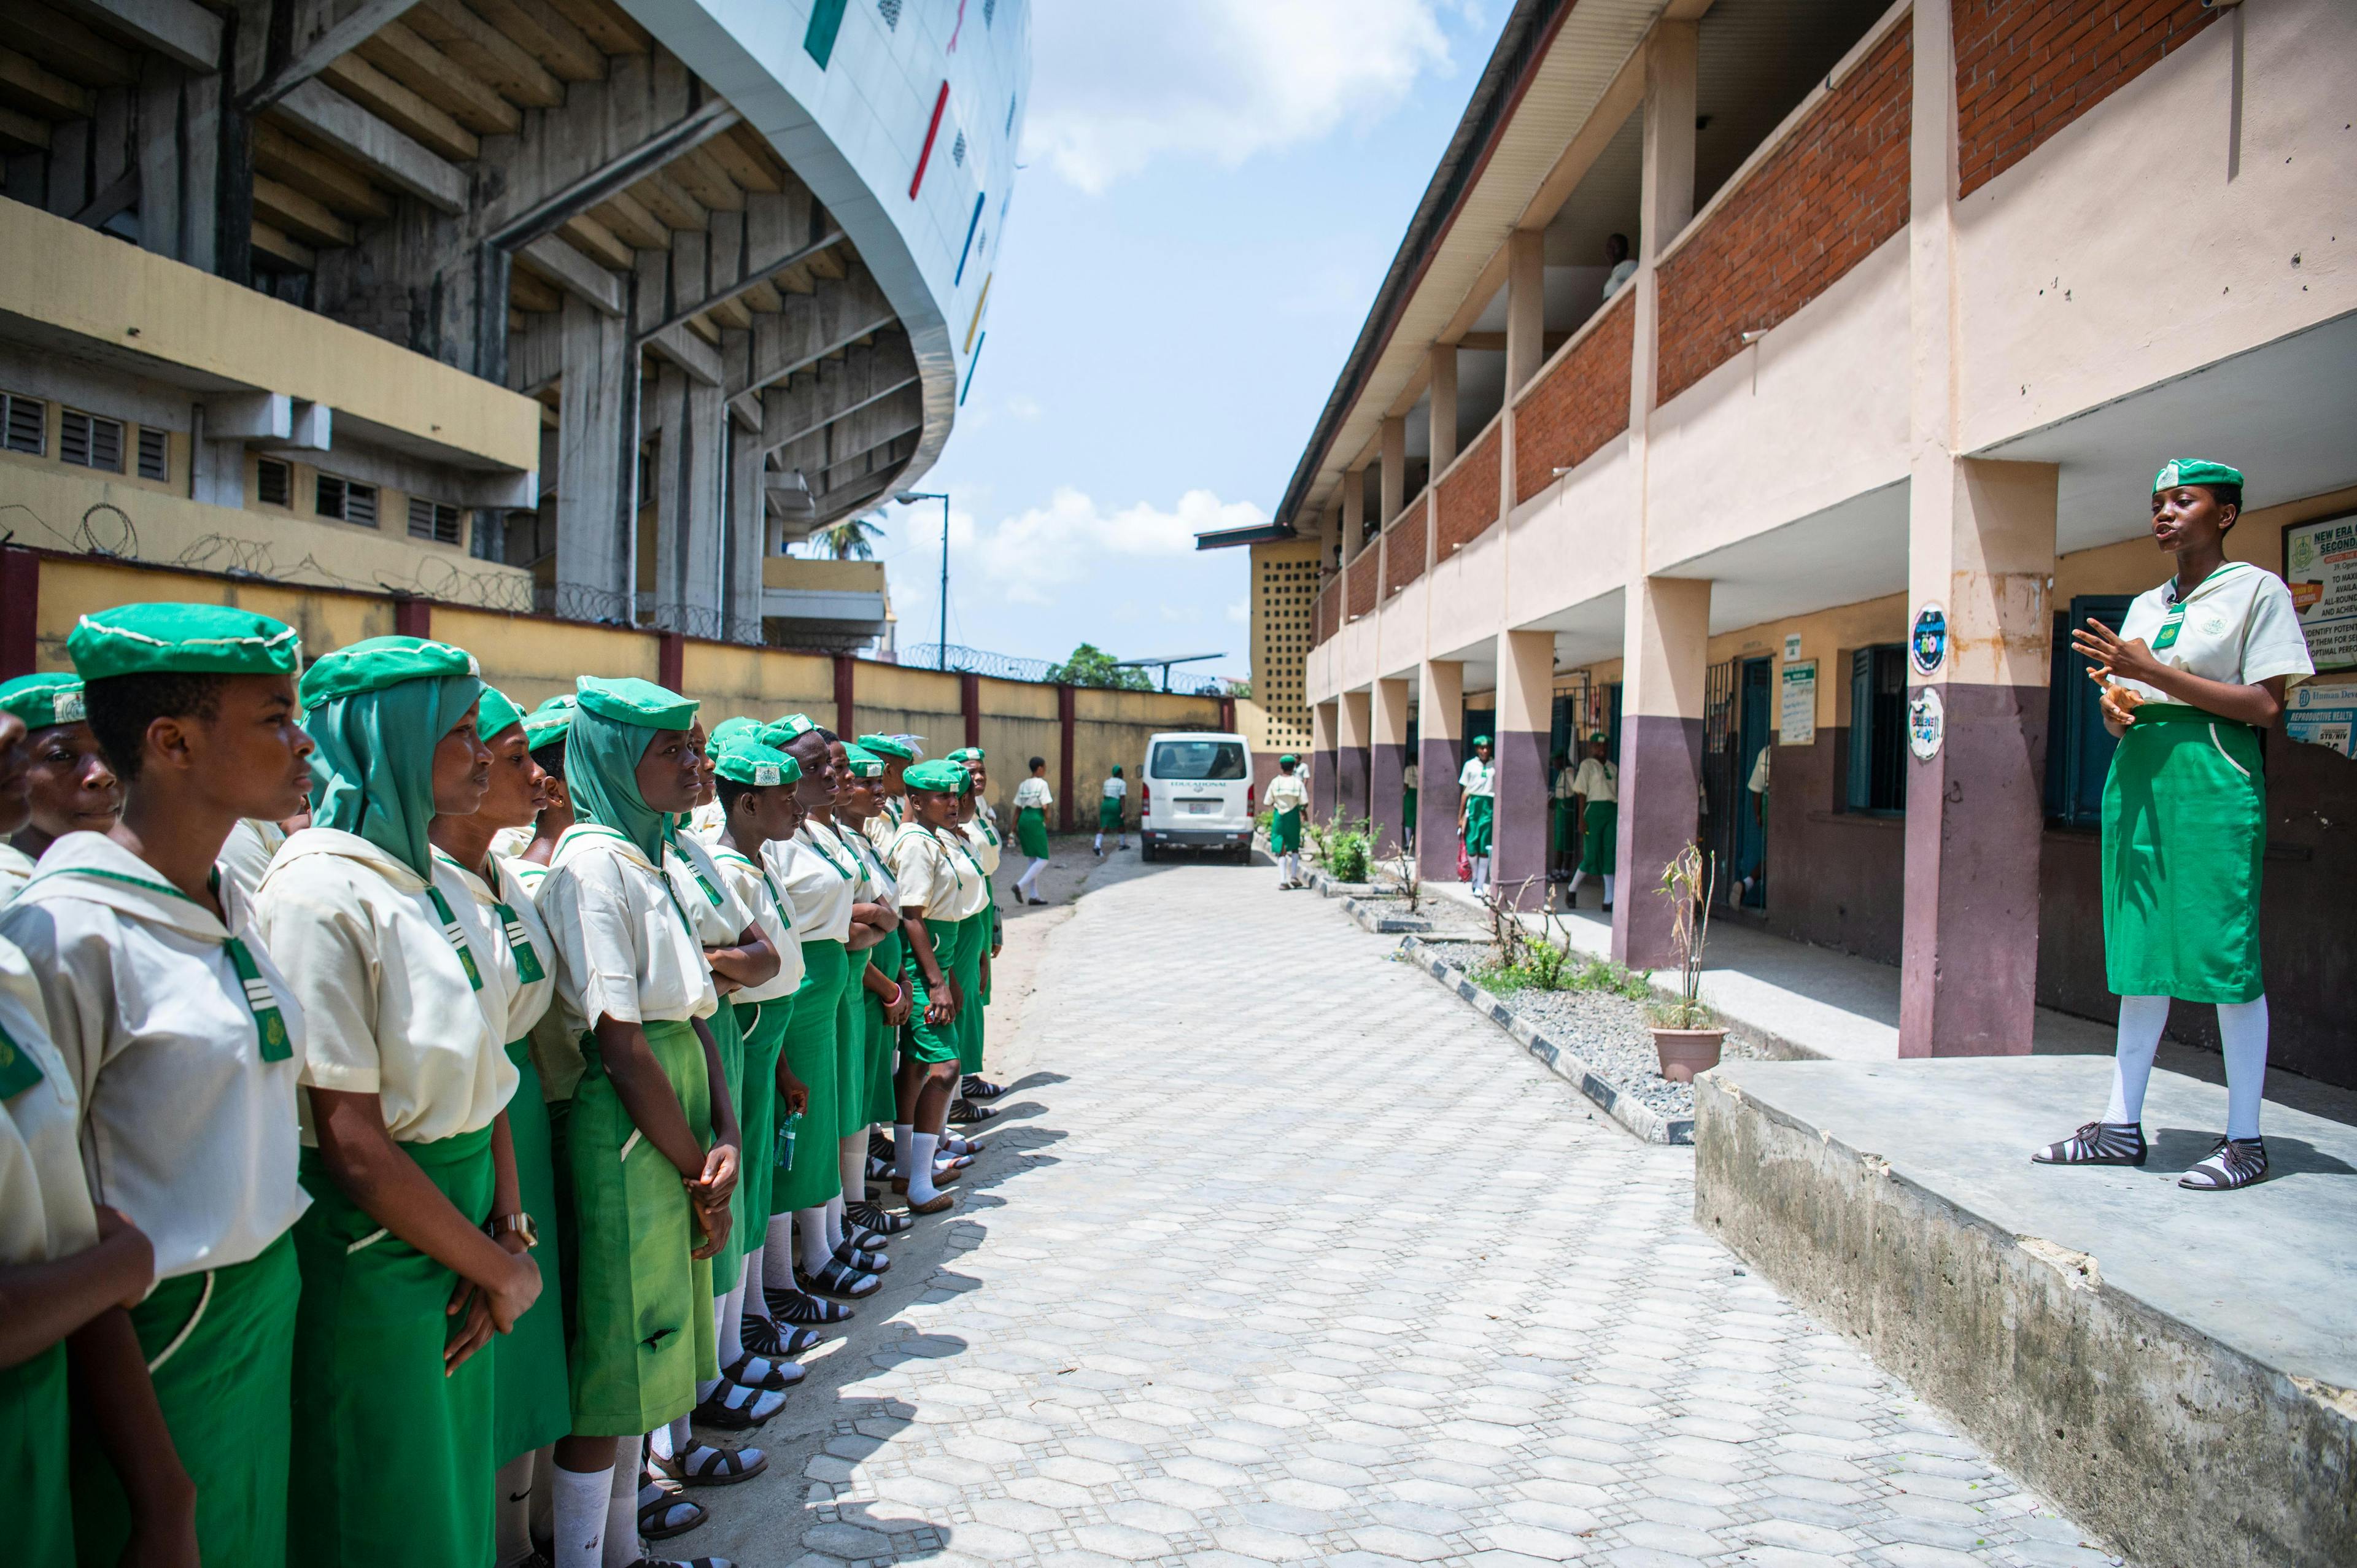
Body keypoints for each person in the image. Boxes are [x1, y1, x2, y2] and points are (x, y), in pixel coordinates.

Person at [4, 602, 314, 1567]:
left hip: (263, 1304)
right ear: (172, 741)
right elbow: (66, 1216)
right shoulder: (67, 933)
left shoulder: (233, 894)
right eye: (273, 717)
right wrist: (159, 1489)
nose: (303, 739)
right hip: (156, 1345)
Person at [251, 635, 536, 1568]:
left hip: (461, 1227)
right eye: (460, 732)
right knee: (383, 1504)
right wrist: (493, 1270)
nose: (485, 753)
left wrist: (506, 1224)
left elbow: (488, 1062)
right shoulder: (317, 891)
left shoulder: (429, 884)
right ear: (385, 743)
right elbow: (354, 1144)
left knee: (447, 1503)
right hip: (382, 1247)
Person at [2035, 458, 2313, 1192]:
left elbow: (2265, 706)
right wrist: (2115, 706)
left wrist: (2152, 675)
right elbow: (2121, 696)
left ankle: (2245, 1138)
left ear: (2224, 513)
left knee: (2225, 955)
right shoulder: (2147, 605)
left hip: (2214, 782)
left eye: (2183, 500)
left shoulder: (2257, 590)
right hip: (2142, 781)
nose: (2164, 512)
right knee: (2142, 951)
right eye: (2158, 501)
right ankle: (2121, 1126)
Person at [532, 676, 743, 1568]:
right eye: (673, 750)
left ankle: (625, 1549)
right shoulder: (588, 865)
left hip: (677, 1110)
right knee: (613, 1370)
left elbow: (695, 1005)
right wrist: (699, 1162)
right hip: (633, 1126)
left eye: (693, 746)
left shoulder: (645, 852)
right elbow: (621, 1043)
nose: (694, 764)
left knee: (651, 1356)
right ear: (617, 756)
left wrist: (725, 1126)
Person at [0, 700, 191, 1568]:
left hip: (57, 1356)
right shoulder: (50, 922)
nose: (96, 773)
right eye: (59, 752)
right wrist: (116, 1263)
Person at [424, 686, 581, 1565]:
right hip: (478, 1125)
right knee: (478, 1340)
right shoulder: (419, 882)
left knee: (528, 1349)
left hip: (518, 1108)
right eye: (514, 757)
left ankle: (524, 1533)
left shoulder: (507, 875)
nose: (534, 775)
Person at [702, 733, 826, 1375]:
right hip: (746, 1027)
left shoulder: (762, 860)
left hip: (768, 1031)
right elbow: (724, 969)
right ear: (747, 804)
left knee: (755, 1179)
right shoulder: (726, 868)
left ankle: (752, 1311)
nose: (799, 804)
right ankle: (739, 1331)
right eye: (785, 796)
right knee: (743, 1181)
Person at [764, 719, 892, 1321]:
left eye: (829, 766)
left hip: (828, 982)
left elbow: (864, 912)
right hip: (802, 987)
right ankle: (784, 1274)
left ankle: (823, 1245)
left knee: (824, 1124)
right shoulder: (773, 837)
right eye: (814, 766)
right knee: (794, 1136)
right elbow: (836, 917)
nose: (831, 776)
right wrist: (860, 925)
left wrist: (862, 925)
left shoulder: (813, 834)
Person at [887, 760, 981, 1216]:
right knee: (946, 1067)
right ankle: (918, 1182)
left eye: (955, 796)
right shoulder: (915, 844)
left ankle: (910, 1166)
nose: (953, 803)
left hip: (938, 961)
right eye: (941, 797)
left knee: (918, 1066)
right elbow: (912, 916)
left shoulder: (932, 839)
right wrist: (937, 983)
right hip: (922, 965)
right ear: (916, 800)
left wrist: (951, 976)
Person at [1, 674, 122, 895]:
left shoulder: (138, 883)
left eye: (112, 752)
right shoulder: (12, 898)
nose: (102, 774)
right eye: (61, 756)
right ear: (11, 772)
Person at [948, 763, 1005, 1117]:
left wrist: (993, 926)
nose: (978, 782)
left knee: (972, 997)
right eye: (968, 780)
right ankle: (955, 1094)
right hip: (957, 922)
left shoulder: (980, 814)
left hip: (977, 911)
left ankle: (965, 1078)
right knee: (957, 1002)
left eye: (982, 773)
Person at [1566, 732, 1619, 912]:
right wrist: (1581, 819)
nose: (1601, 749)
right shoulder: (1587, 765)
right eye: (1598, 746)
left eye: (1604, 746)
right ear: (1591, 747)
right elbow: (1581, 793)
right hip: (1593, 811)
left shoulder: (1613, 767)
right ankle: (1572, 890)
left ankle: (1608, 899)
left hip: (1611, 811)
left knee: (1609, 852)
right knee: (1591, 854)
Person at [854, 734, 918, 851]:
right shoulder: (869, 815)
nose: (909, 777)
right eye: (906, 770)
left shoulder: (888, 810)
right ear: (888, 771)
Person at [1011, 755, 1053, 904]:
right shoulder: (1042, 784)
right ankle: (1020, 885)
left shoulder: (1023, 785)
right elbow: (1045, 806)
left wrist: (1013, 827)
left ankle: (1034, 896)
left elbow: (1017, 808)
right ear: (1040, 768)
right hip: (1035, 819)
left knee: (1032, 858)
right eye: (1045, 767)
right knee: (1044, 858)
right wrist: (1046, 820)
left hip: (1024, 819)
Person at [1457, 736, 1495, 896]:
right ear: (1477, 749)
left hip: (1489, 807)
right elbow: (1465, 792)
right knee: (1472, 847)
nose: (1484, 751)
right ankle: (1474, 877)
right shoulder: (1470, 765)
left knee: (1484, 847)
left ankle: (1480, 884)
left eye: (1487, 747)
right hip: (1474, 807)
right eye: (1481, 747)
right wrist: (1460, 817)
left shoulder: (1496, 765)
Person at [1266, 754, 1308, 888]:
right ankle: (1294, 875)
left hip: (1279, 816)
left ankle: (1283, 881)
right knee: (1295, 846)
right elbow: (1304, 802)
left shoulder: (1275, 782)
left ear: (1281, 767)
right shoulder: (1298, 782)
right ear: (1294, 767)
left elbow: (1267, 801)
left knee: (1281, 846)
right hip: (1293, 816)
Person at [1738, 744, 1770, 904]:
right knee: (1772, 854)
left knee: (1770, 852)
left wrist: (1758, 813)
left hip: (1768, 805)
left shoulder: (1766, 753)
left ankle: (1748, 883)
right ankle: (1748, 883)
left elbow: (1756, 788)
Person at [1549, 749, 1578, 881]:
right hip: (1561, 808)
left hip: (1567, 808)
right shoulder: (1562, 773)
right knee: (1560, 841)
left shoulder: (1570, 772)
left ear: (1561, 760)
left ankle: (1565, 871)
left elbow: (1576, 790)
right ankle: (1557, 870)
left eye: (1555, 761)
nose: (1553, 764)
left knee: (1566, 840)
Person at [1095, 764, 1128, 855]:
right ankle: (1122, 844)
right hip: (1115, 804)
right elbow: (1122, 798)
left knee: (1104, 825)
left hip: (1105, 804)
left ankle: (1097, 845)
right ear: (1120, 773)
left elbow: (1104, 795)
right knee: (1121, 824)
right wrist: (1123, 811)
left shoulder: (1107, 782)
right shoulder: (1122, 783)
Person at [1600, 232, 1635, 303]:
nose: (1612, 251)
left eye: (1616, 247)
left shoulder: (1630, 266)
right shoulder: (1613, 277)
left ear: (1626, 250)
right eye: (1609, 247)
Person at [1401, 757, 1418, 852]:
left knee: (1408, 818)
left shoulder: (1408, 769)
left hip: (1410, 794)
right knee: (1417, 819)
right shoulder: (1422, 768)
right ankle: (1414, 842)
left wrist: (1404, 794)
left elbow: (1406, 784)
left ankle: (1408, 843)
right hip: (1419, 793)